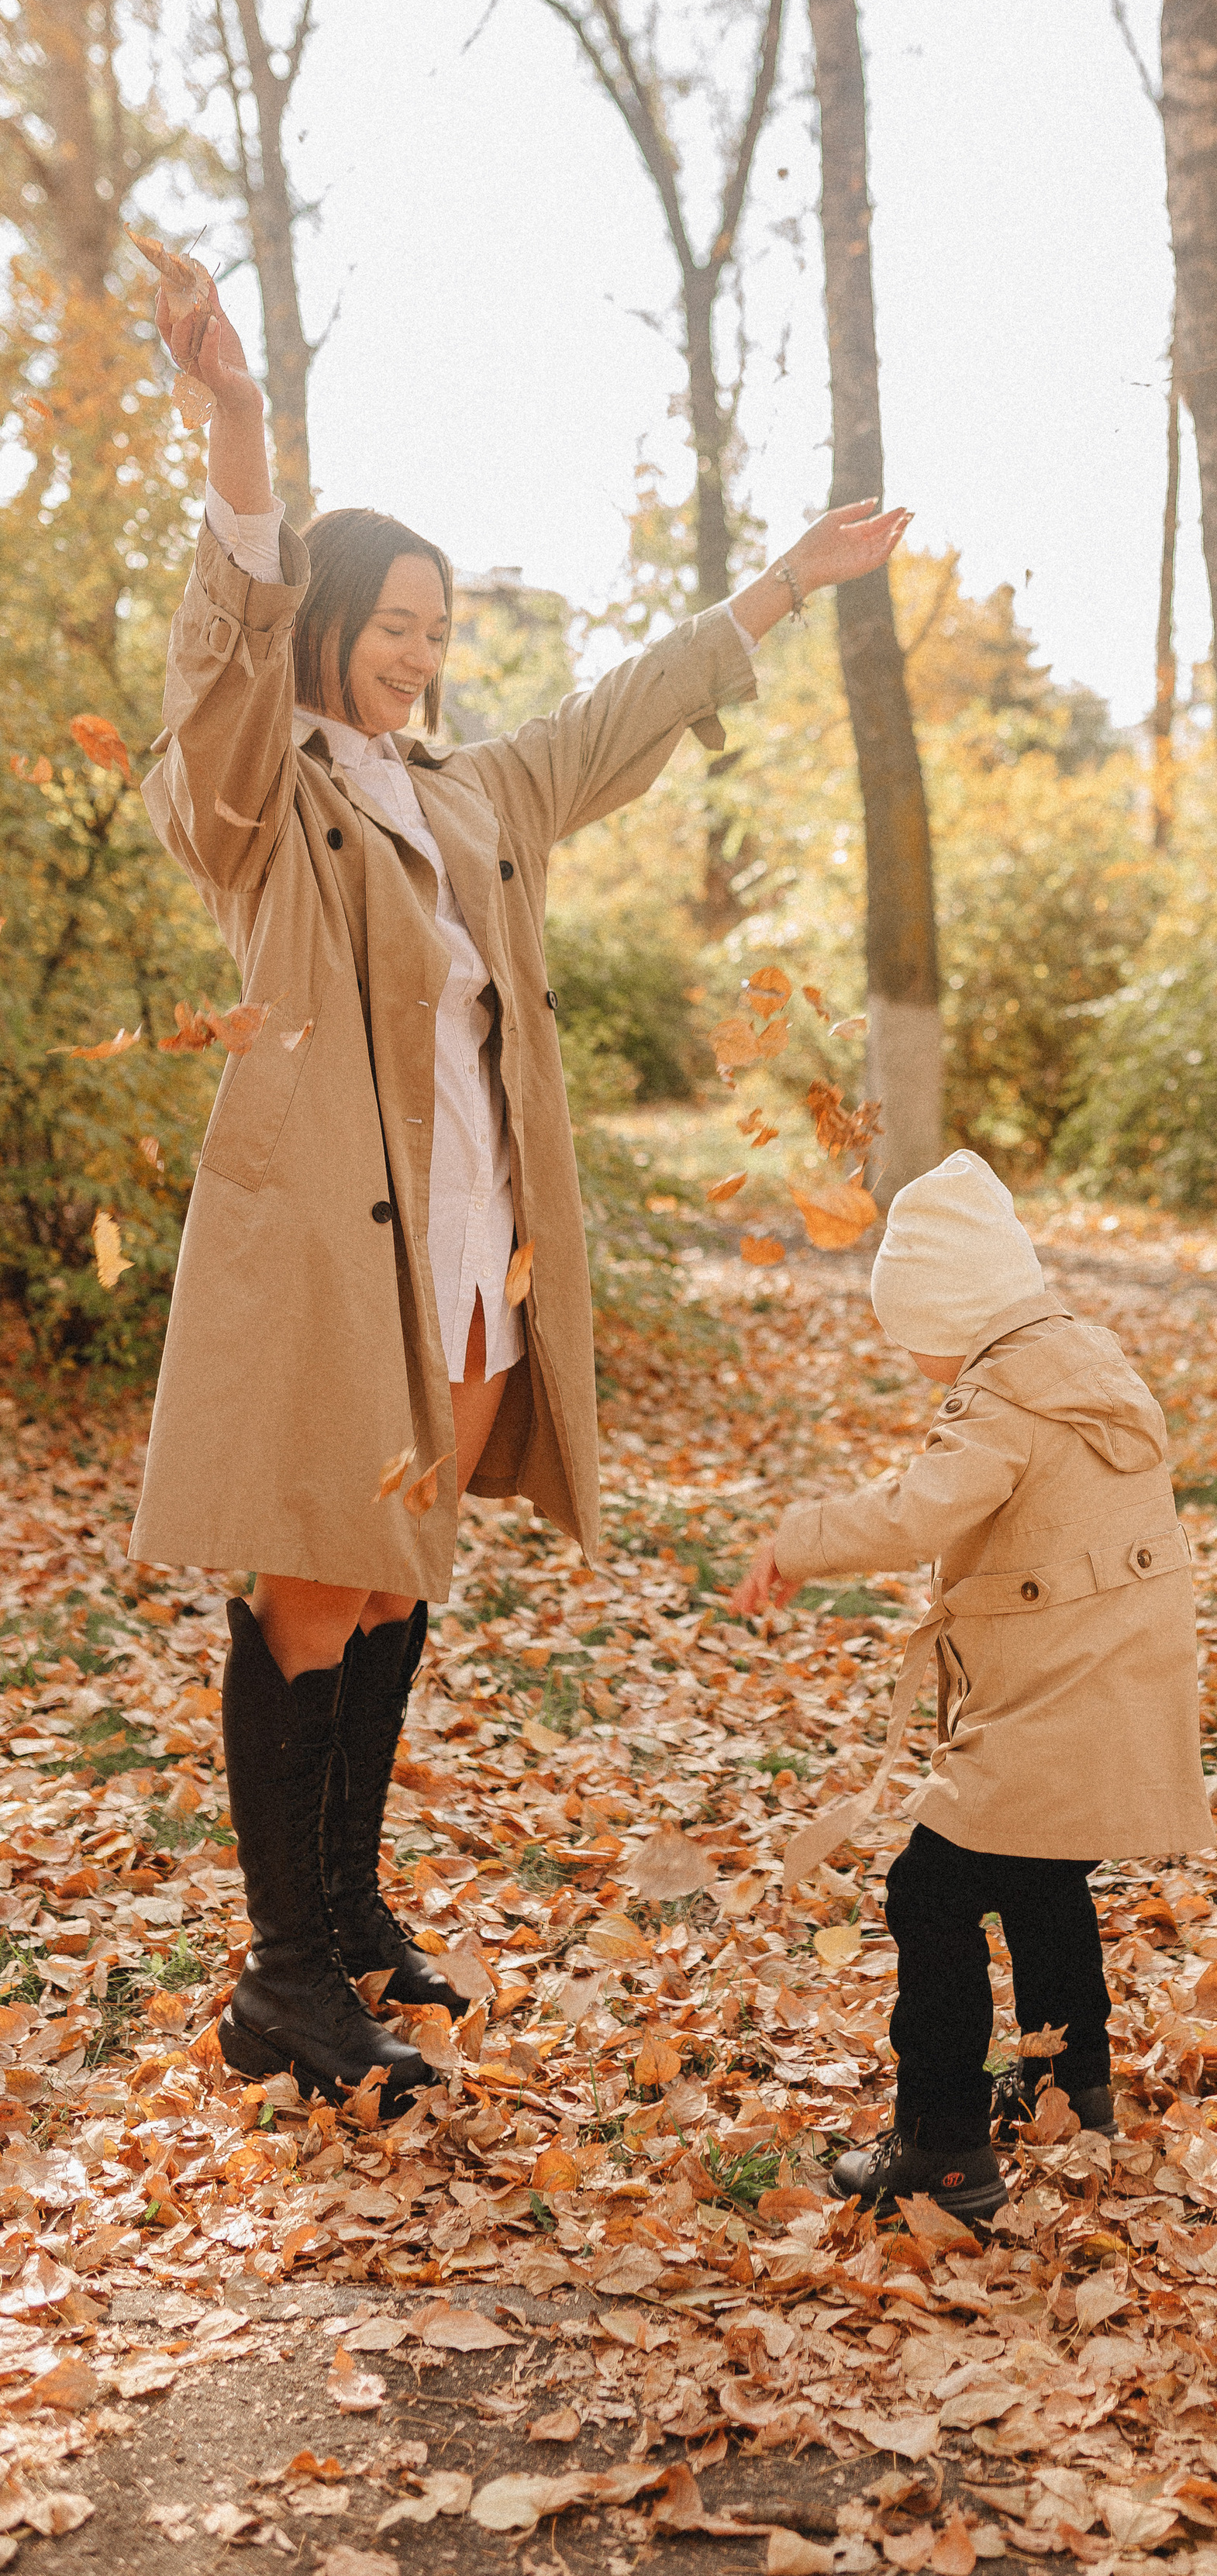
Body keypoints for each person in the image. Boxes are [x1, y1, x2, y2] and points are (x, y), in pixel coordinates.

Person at [132, 274, 908, 2112]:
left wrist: (783, 584)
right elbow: (221, 637)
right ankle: (284, 1978)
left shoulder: (466, 793)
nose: (417, 651)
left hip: (474, 1258)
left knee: (397, 1585)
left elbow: (617, 716)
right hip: (335, 1260)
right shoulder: (262, 792)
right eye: (391, 622)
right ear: (326, 621)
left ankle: (345, 1904)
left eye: (436, 627)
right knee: (315, 1588)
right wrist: (238, 430)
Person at [734, 1151, 1215, 2219]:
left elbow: (921, 1513)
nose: (909, 1355)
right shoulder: (1086, 1358)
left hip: (1058, 1687)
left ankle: (943, 2149)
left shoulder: (1000, 1391)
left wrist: (797, 1536)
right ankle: (1066, 2088)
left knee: (931, 1889)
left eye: (908, 1330)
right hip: (1117, 1677)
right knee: (1045, 1874)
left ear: (946, 1308)